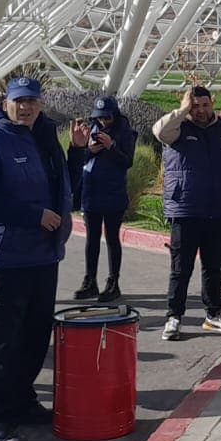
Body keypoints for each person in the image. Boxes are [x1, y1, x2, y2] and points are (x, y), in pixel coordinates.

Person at [0, 78, 72, 441]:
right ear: (5, 103)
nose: (25, 107)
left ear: (41, 103)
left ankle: (24, 401)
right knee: (3, 339)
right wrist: (33, 216)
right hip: (8, 256)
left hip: (44, 253)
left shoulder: (45, 138)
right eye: (19, 101)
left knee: (34, 334)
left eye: (32, 101)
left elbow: (60, 184)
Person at [154, 87, 221, 338]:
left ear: (212, 103)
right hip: (186, 210)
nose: (201, 110)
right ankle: (174, 317)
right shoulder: (177, 130)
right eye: (196, 106)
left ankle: (213, 314)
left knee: (213, 267)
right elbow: (159, 131)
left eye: (205, 105)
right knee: (180, 268)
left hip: (217, 210)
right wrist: (182, 110)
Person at [67, 95, 136, 303]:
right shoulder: (93, 128)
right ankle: (90, 281)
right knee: (92, 239)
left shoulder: (125, 132)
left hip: (113, 192)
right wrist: (89, 150)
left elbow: (127, 161)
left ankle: (113, 281)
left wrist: (111, 147)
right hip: (91, 191)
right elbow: (82, 158)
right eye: (100, 118)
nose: (103, 122)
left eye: (107, 118)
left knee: (112, 238)